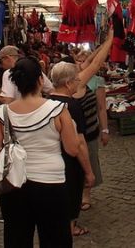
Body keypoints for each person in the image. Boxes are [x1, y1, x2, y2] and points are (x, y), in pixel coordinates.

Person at [0, 57, 80, 248]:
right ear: (40, 80)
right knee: (55, 239)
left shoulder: (2, 113)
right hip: (51, 183)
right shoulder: (58, 109)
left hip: (15, 184)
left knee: (17, 238)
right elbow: (72, 149)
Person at [49, 62, 96, 237]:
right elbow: (80, 143)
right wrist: (89, 171)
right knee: (71, 198)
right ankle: (70, 230)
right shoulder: (72, 106)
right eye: (76, 79)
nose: (78, 82)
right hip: (69, 163)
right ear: (68, 83)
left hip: (51, 160)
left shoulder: (46, 102)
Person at [70, 32, 114, 210]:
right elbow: (93, 62)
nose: (80, 63)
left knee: (90, 159)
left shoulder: (96, 81)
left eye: (83, 61)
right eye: (78, 61)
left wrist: (105, 130)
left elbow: (102, 108)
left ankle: (86, 194)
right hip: (72, 131)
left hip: (90, 129)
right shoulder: (71, 81)